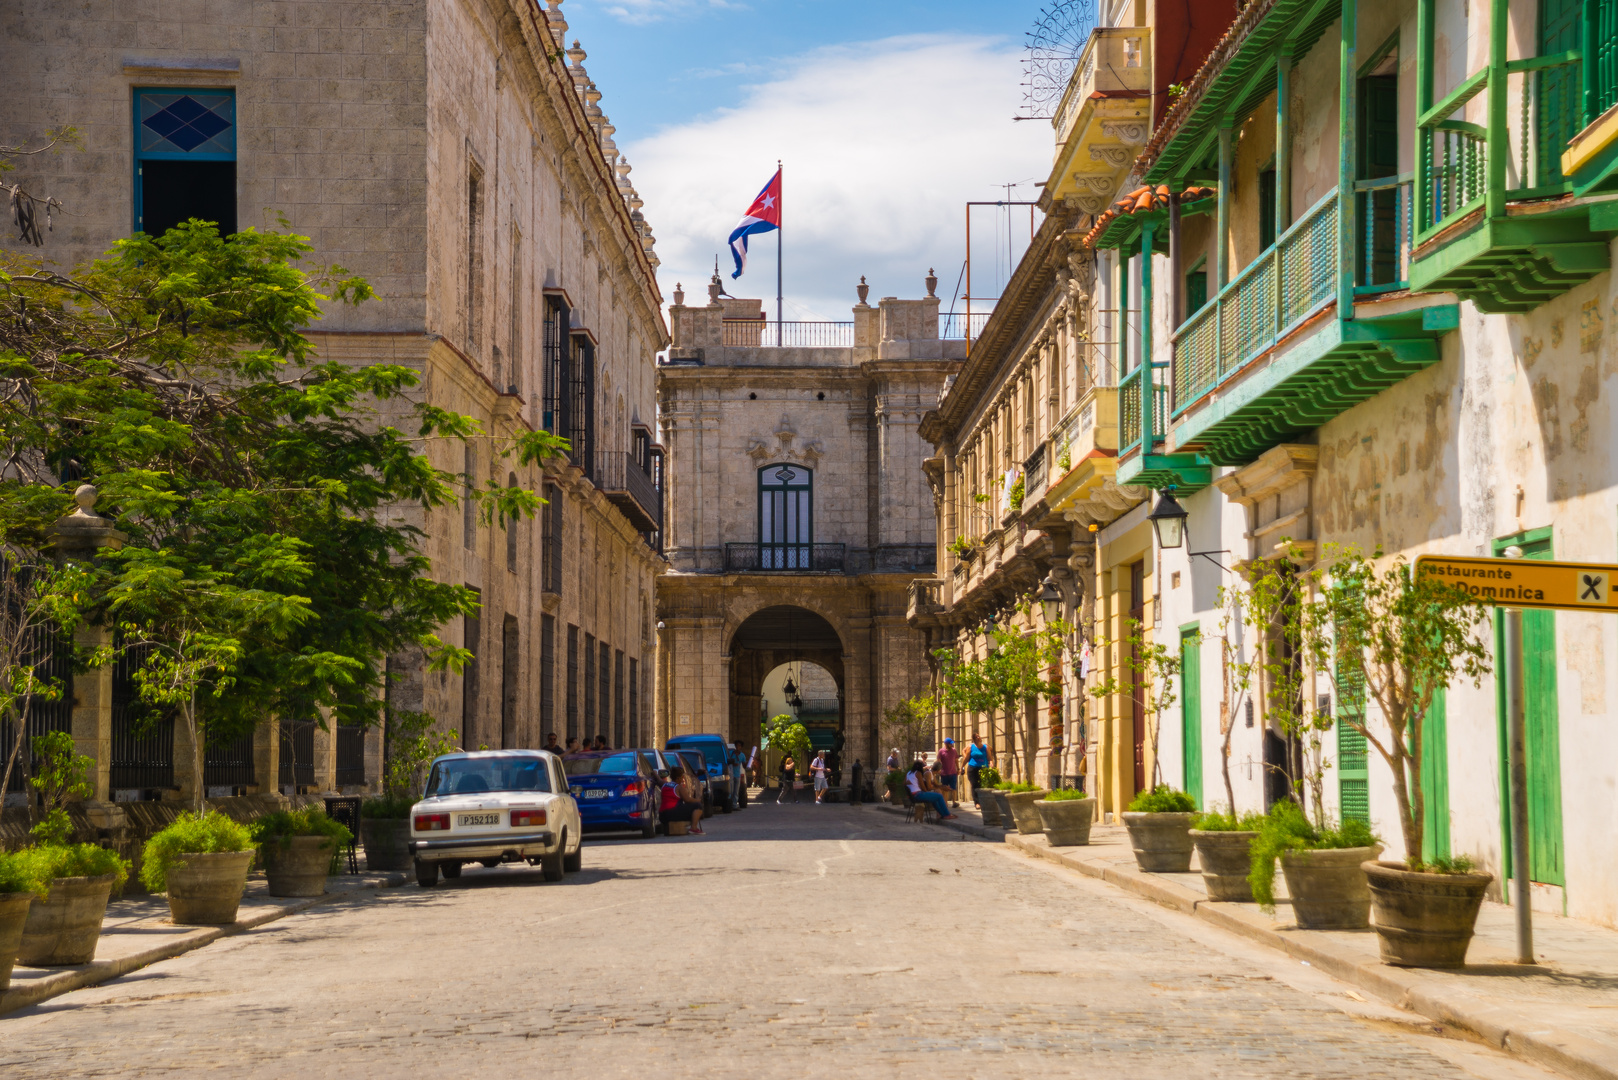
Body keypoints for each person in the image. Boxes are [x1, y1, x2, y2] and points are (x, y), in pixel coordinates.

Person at [660, 766, 705, 835]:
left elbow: (658, 780)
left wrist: (654, 773)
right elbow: (687, 800)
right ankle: (694, 828)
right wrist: (697, 800)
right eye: (682, 777)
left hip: (662, 815)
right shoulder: (679, 787)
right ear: (678, 778)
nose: (683, 779)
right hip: (672, 813)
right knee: (697, 806)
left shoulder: (664, 784)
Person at [965, 733, 992, 802]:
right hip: (973, 768)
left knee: (982, 784)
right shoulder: (971, 747)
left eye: (979, 736)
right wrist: (961, 766)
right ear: (974, 739)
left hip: (983, 768)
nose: (978, 737)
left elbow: (990, 757)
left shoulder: (985, 747)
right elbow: (966, 757)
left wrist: (991, 764)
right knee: (974, 784)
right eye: (976, 736)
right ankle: (977, 802)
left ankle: (983, 800)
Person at [936, 737, 961, 807]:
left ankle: (954, 802)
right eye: (950, 744)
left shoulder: (954, 751)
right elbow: (938, 760)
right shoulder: (941, 751)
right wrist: (939, 769)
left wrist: (958, 768)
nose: (952, 745)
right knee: (945, 788)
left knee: (953, 788)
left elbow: (956, 760)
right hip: (944, 773)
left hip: (953, 772)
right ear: (946, 744)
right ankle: (945, 802)